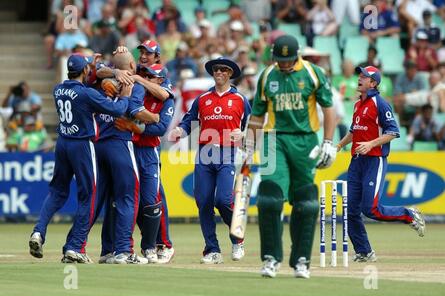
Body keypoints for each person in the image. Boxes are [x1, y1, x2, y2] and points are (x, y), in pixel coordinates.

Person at [245, 34, 337, 279]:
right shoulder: (267, 75)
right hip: (273, 139)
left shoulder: (313, 72)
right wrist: (248, 146)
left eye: (287, 60)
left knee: (306, 203)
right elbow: (257, 116)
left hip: (306, 141)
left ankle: (301, 261)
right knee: (269, 198)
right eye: (279, 60)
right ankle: (271, 259)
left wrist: (328, 142)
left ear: (296, 56)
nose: (283, 65)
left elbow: (329, 109)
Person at [29, 53, 132, 262]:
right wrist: (126, 95)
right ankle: (75, 247)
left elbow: (87, 79)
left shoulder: (58, 89)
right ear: (85, 71)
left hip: (62, 143)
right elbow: (117, 109)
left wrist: (92, 66)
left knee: (57, 192)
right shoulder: (86, 94)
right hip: (82, 145)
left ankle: (38, 231)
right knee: (89, 196)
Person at [336, 66, 426, 263]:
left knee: (371, 209)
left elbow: (393, 132)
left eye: (364, 77)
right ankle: (364, 251)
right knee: (350, 210)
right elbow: (354, 130)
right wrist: (339, 145)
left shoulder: (380, 104)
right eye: (359, 75)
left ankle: (408, 214)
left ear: (373, 83)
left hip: (374, 161)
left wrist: (371, 144)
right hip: (356, 162)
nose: (359, 79)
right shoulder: (357, 104)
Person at [168, 57, 251, 264]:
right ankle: (212, 250)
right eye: (216, 69)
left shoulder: (240, 99)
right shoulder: (203, 99)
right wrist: (181, 130)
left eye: (224, 70)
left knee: (223, 200)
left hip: (228, 153)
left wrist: (244, 134)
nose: (220, 73)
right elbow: (189, 121)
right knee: (203, 202)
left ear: (230, 74)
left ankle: (237, 239)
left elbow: (253, 126)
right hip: (204, 153)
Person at [93, 51, 160, 265]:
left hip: (99, 144)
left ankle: (103, 250)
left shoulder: (101, 81)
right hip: (121, 144)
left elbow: (95, 70)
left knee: (106, 200)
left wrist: (110, 68)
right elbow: (135, 109)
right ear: (132, 64)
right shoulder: (134, 84)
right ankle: (124, 250)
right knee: (129, 198)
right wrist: (154, 117)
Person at [114, 64, 175, 263]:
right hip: (129, 149)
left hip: (149, 153)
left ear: (160, 80)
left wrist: (135, 127)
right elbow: (130, 110)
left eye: (152, 76)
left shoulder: (166, 99)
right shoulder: (140, 92)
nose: (147, 77)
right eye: (146, 74)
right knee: (132, 201)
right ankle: (134, 246)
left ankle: (150, 246)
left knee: (150, 200)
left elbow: (160, 128)